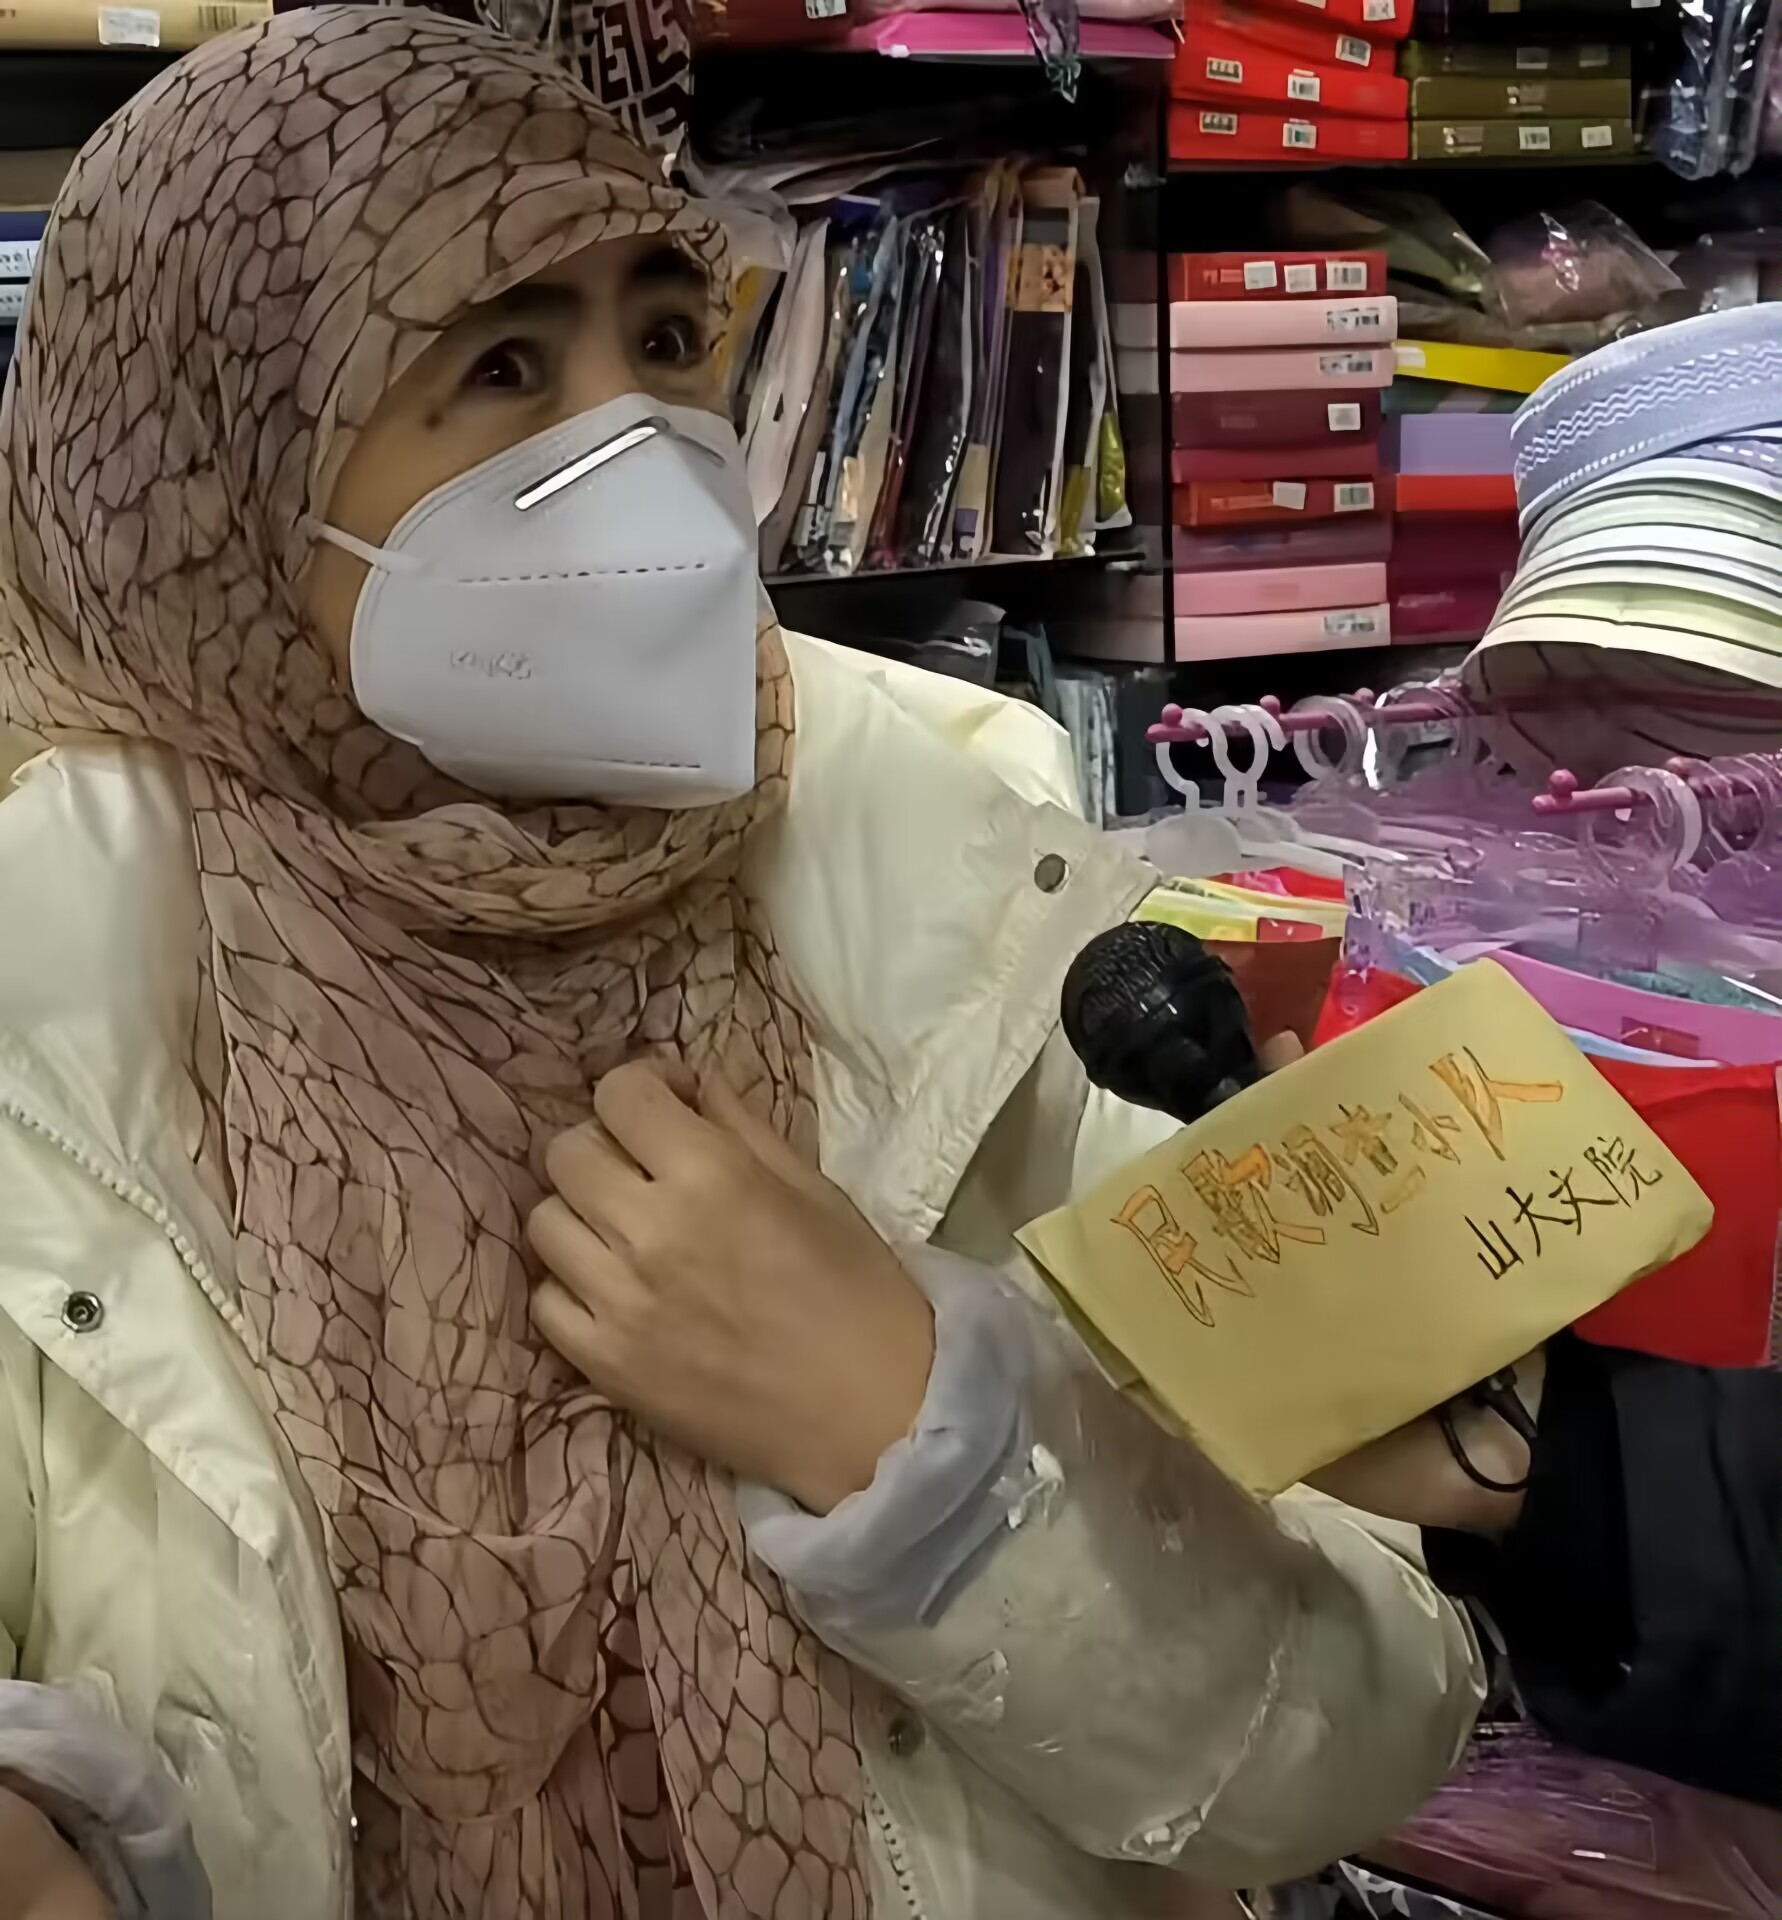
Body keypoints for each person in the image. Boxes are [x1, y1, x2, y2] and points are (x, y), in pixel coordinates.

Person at [0, 9, 1483, 1916]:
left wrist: (927, 1449)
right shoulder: (50, 994)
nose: (638, 449)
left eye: (667, 338)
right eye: (503, 366)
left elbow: (1360, 1736)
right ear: (205, 471)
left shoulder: (972, 864)